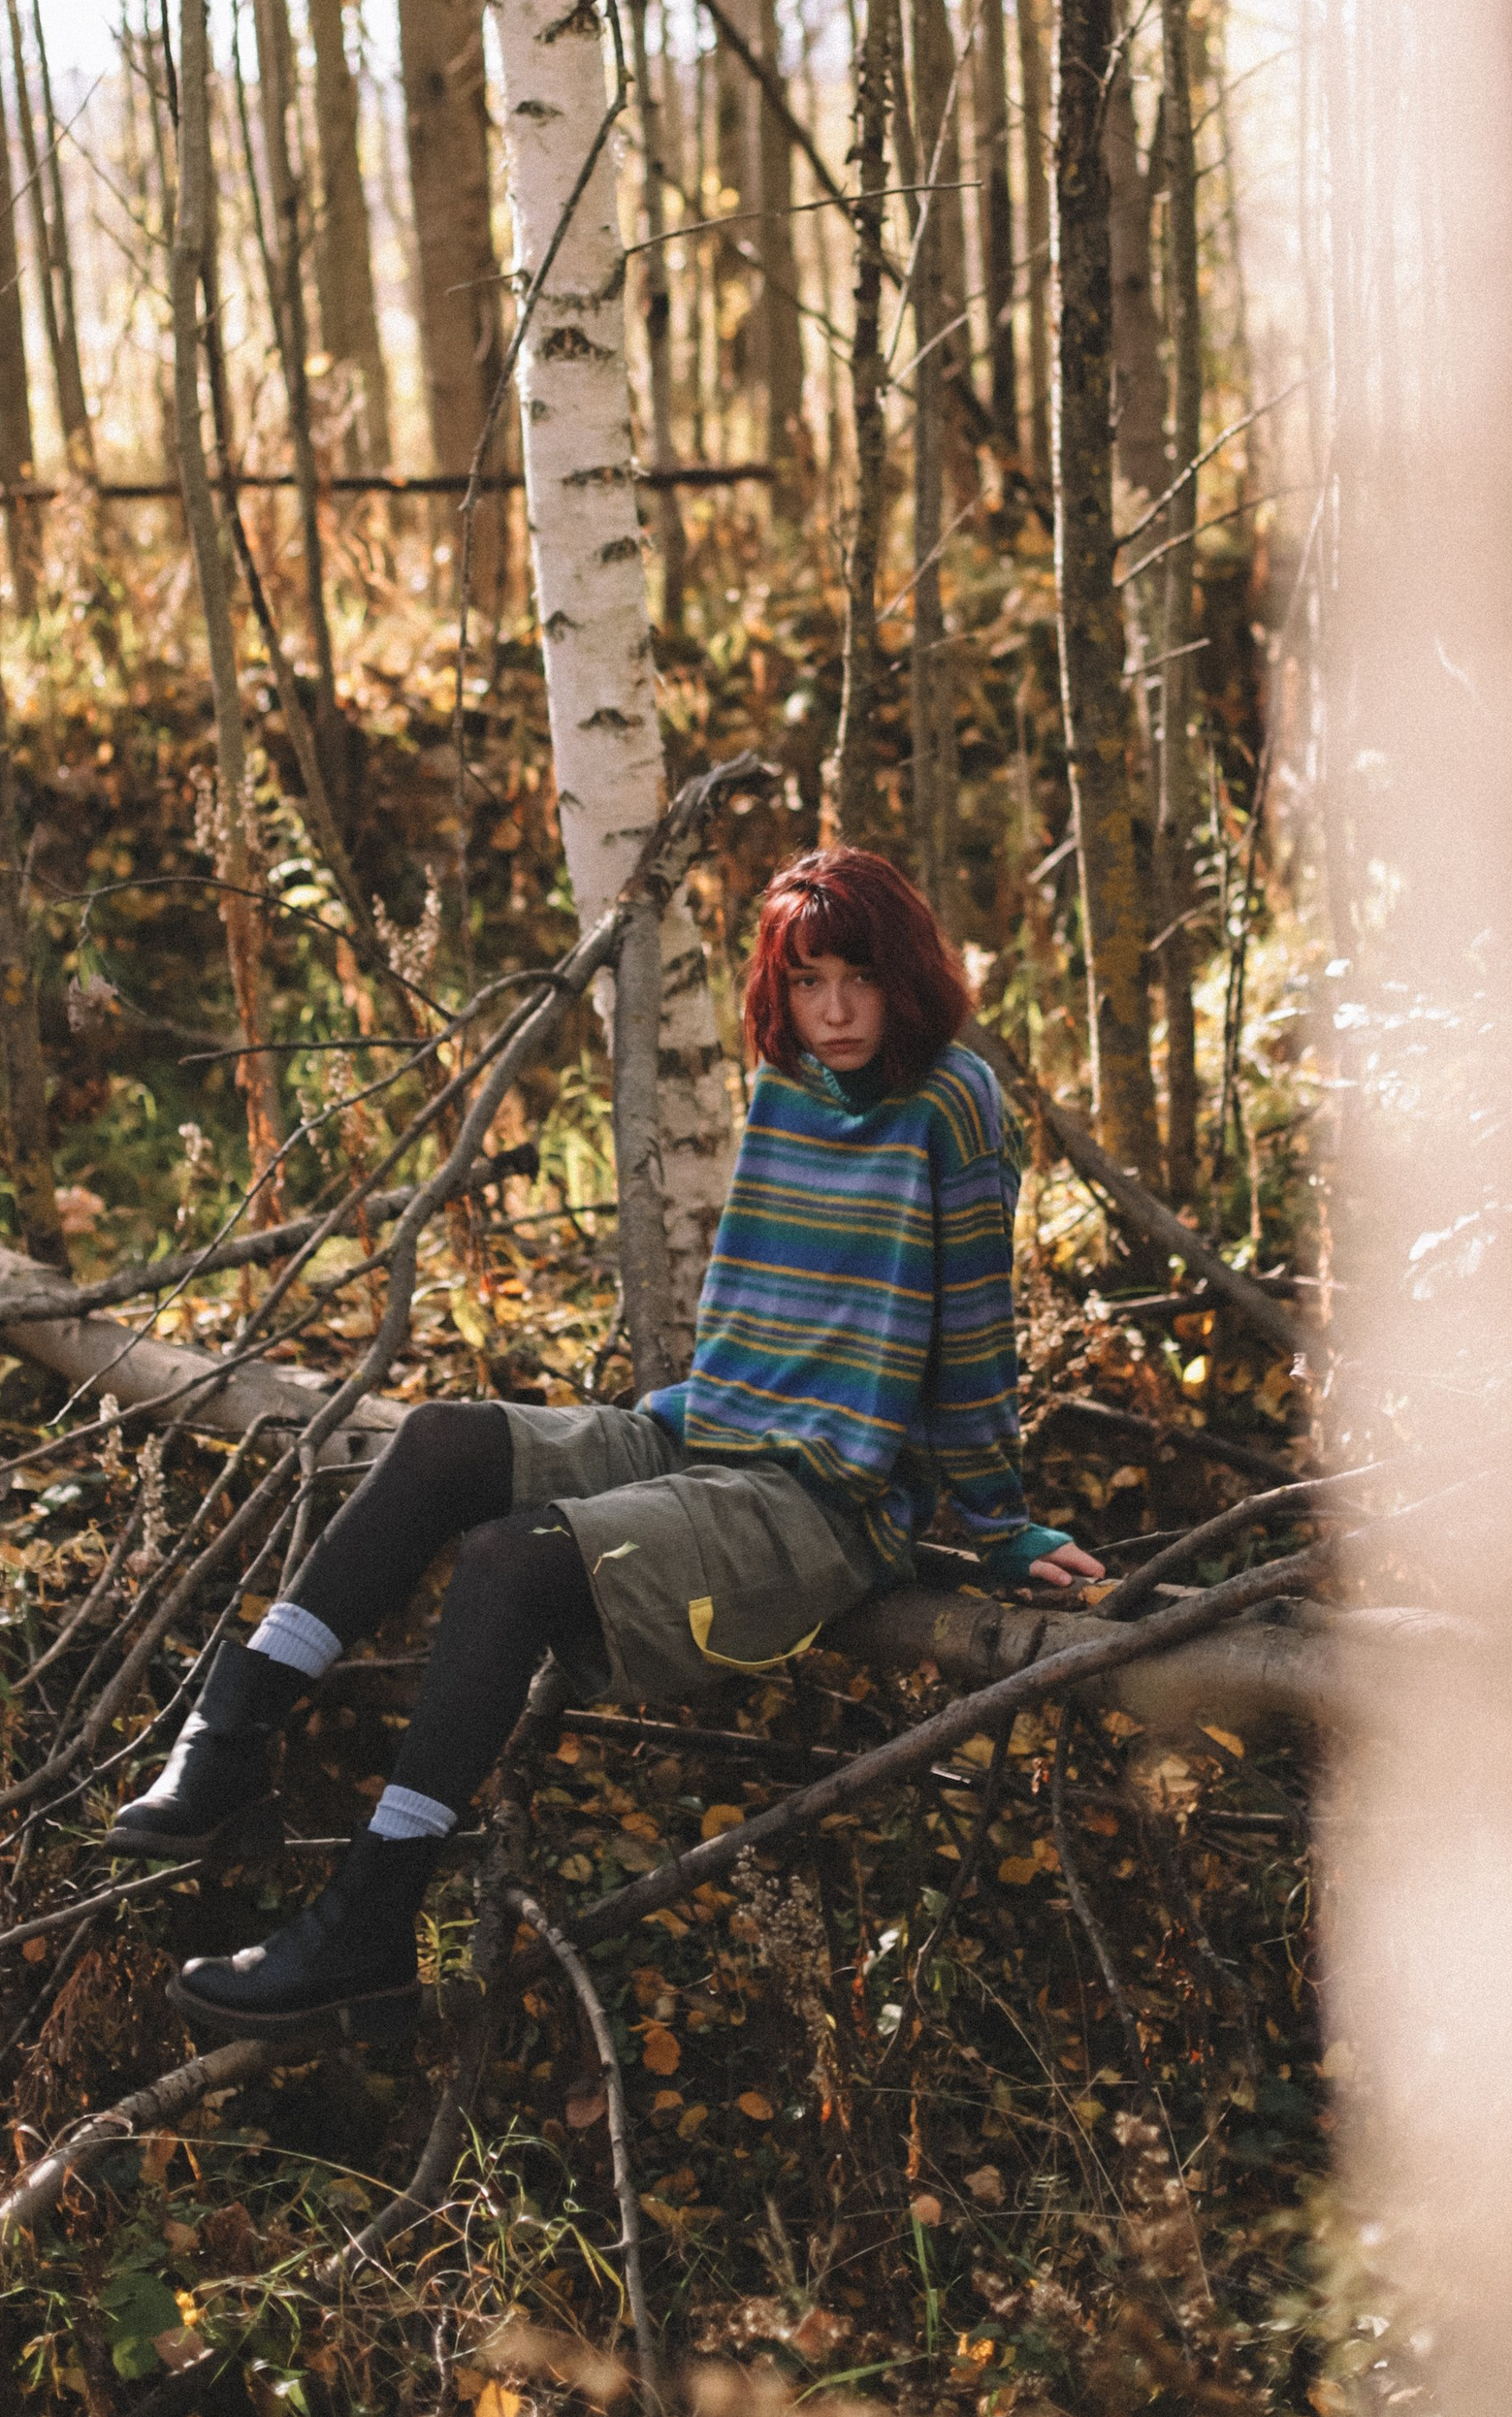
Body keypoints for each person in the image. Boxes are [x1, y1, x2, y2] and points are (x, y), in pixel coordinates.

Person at [114, 844, 1104, 2050]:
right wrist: (684, 1430)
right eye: (805, 981)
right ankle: (230, 1741)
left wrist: (997, 1527)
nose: (833, 1010)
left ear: (908, 978)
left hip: (824, 1498)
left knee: (513, 1562)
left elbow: (971, 1337)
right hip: (705, 1427)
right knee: (436, 1442)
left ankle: (367, 1927)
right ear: (776, 991)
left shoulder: (954, 1099)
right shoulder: (789, 1081)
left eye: (858, 977)